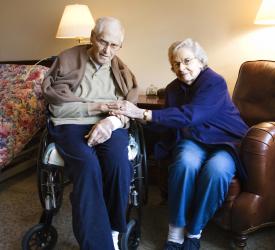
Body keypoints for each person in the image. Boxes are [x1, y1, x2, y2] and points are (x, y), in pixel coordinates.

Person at [108, 38, 248, 250]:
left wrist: (143, 113)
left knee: (218, 171)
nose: (181, 68)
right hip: (193, 139)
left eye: (187, 61)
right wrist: (130, 121)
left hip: (224, 140)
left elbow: (191, 115)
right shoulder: (173, 88)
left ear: (200, 61)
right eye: (176, 64)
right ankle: (175, 232)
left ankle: (194, 231)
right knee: (184, 163)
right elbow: (168, 123)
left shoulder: (214, 82)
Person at [42, 17, 138, 250]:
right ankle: (98, 245)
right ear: (93, 38)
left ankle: (114, 231)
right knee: (87, 166)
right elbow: (56, 105)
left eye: (114, 45)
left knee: (117, 161)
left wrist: (113, 120)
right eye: (103, 42)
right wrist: (99, 106)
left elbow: (129, 105)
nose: (108, 50)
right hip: (70, 123)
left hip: (108, 123)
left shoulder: (121, 69)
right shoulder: (67, 59)